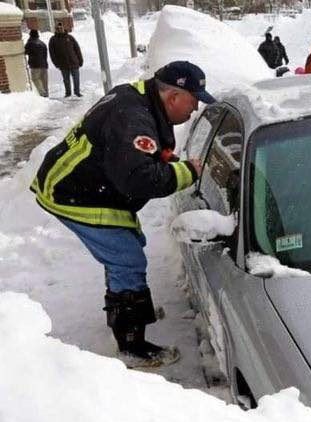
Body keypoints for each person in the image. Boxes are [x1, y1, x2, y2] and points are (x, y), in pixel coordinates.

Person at [30, 61, 215, 367]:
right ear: (173, 98)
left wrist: (167, 159)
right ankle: (131, 342)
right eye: (193, 101)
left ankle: (127, 306)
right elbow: (138, 178)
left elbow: (140, 151)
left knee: (126, 248)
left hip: (88, 186)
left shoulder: (141, 100)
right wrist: (186, 173)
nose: (194, 109)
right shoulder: (132, 117)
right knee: (126, 258)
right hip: (72, 193)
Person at [49, 21, 83, 97]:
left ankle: (77, 92)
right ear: (56, 29)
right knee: (66, 80)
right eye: (58, 28)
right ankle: (68, 93)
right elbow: (52, 53)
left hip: (74, 62)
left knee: (76, 78)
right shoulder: (53, 40)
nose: (60, 29)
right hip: (63, 64)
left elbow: (77, 49)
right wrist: (56, 63)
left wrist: (80, 60)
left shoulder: (70, 37)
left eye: (61, 27)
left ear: (63, 28)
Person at [24, 29, 48, 97]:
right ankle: (46, 94)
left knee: (35, 79)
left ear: (30, 35)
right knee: (44, 81)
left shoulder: (30, 43)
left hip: (35, 65)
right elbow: (45, 54)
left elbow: (25, 52)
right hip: (44, 65)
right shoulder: (42, 43)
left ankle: (42, 94)